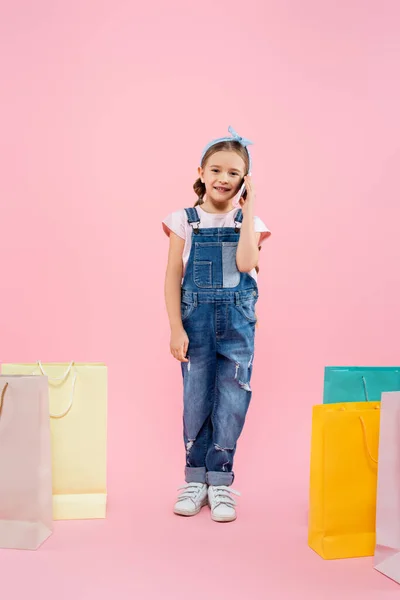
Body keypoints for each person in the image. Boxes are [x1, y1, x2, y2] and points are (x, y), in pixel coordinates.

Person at [162, 126, 270, 522]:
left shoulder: (252, 223)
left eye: (235, 174)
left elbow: (245, 263)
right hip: (196, 321)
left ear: (245, 180)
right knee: (196, 399)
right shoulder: (183, 219)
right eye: (217, 170)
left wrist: (251, 205)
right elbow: (173, 275)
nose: (224, 179)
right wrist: (176, 328)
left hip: (238, 324)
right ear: (202, 172)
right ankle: (195, 480)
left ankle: (220, 482)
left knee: (233, 399)